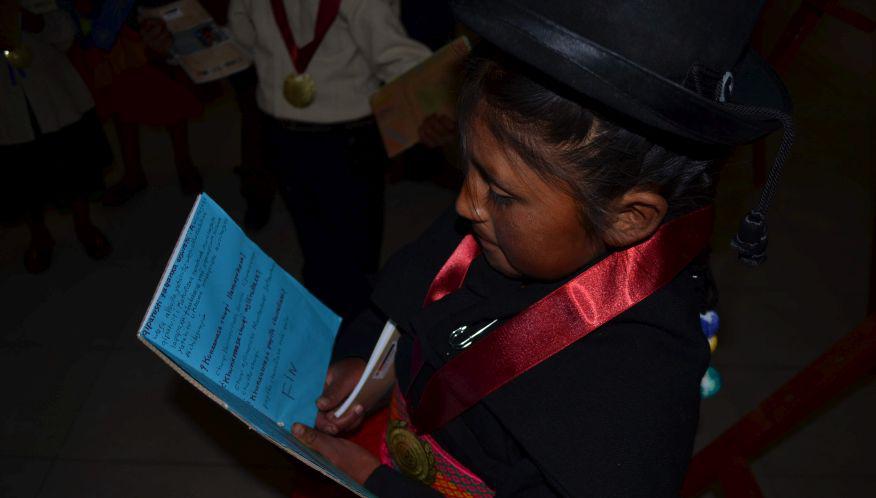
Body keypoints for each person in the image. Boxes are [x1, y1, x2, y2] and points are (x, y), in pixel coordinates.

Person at [287, 1, 794, 496]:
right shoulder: (505, 224)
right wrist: (370, 362)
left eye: (501, 193)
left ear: (629, 218)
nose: (466, 204)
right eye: (470, 169)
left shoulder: (633, 387)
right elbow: (411, 295)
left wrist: (379, 485)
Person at [228, 0, 431, 318]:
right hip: (305, 137)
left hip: (332, 139)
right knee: (322, 242)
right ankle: (330, 322)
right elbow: (399, 59)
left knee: (346, 249)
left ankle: (352, 336)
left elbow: (242, 40)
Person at [1, 5, 113, 273]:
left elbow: (65, 33)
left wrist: (32, 22)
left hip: (52, 89)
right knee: (20, 174)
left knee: (72, 162)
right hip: (5, 104)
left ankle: (83, 224)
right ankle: (39, 234)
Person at [66, 0, 205, 206]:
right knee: (119, 97)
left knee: (166, 91)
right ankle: (133, 173)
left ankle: (183, 163)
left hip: (141, 17)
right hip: (102, 29)